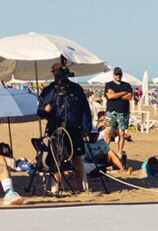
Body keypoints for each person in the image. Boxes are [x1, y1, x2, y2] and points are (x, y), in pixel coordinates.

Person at [38, 56, 93, 192]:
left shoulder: (75, 89)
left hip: (74, 129)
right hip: (55, 129)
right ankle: (56, 187)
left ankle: (80, 187)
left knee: (77, 158)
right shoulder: (49, 90)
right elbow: (39, 111)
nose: (59, 75)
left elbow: (85, 109)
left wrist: (86, 128)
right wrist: (45, 110)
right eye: (56, 72)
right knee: (57, 158)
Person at [104, 67, 132, 155]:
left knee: (121, 133)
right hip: (110, 112)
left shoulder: (127, 85)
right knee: (108, 131)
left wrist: (115, 94)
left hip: (123, 112)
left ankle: (119, 152)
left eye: (119, 74)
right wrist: (123, 93)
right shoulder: (108, 85)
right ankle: (104, 150)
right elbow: (110, 97)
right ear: (113, 75)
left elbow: (129, 97)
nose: (118, 76)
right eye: (116, 74)